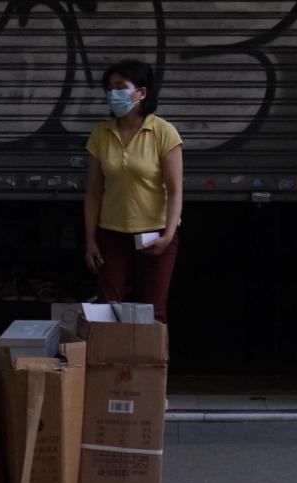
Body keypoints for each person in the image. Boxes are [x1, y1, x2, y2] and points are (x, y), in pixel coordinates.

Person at [83, 59, 184, 322]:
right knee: (107, 310)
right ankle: (109, 364)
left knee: (153, 312)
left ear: (141, 92)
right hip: (112, 234)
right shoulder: (100, 134)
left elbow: (175, 191)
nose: (113, 93)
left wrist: (168, 235)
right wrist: (91, 240)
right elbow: (94, 191)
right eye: (109, 87)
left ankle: (149, 364)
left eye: (120, 86)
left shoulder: (163, 131)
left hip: (155, 233)